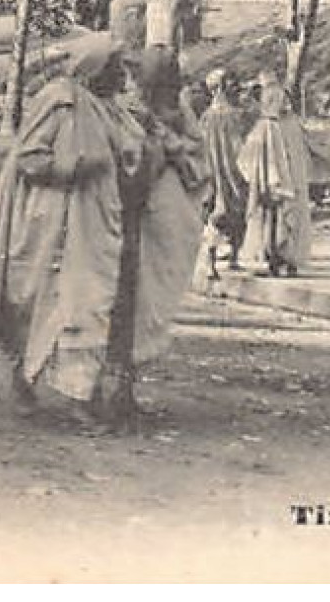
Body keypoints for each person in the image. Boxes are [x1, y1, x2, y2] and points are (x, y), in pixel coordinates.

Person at [0, 34, 145, 427]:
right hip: (55, 224)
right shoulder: (60, 99)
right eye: (114, 65)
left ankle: (81, 395)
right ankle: (30, 383)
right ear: (94, 66)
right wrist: (75, 168)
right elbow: (29, 157)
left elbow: (129, 153)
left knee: (91, 307)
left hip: (98, 224)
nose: (120, 74)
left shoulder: (112, 109)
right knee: (43, 306)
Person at [115, 47, 210, 422]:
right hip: (133, 213)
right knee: (127, 299)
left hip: (167, 216)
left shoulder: (179, 111)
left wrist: (170, 145)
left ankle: (126, 386)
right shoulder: (129, 109)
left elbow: (198, 156)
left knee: (148, 297)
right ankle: (115, 387)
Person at [238, 71, 313, 278]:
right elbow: (249, 157)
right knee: (273, 217)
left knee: (285, 217)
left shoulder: (284, 124)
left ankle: (286, 260)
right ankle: (274, 259)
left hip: (287, 181)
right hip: (276, 182)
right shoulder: (268, 126)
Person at [199, 69, 252, 276]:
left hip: (215, 171)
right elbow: (239, 145)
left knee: (219, 213)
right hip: (230, 170)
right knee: (229, 212)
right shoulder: (232, 116)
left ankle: (217, 260)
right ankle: (228, 258)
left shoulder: (206, 117)